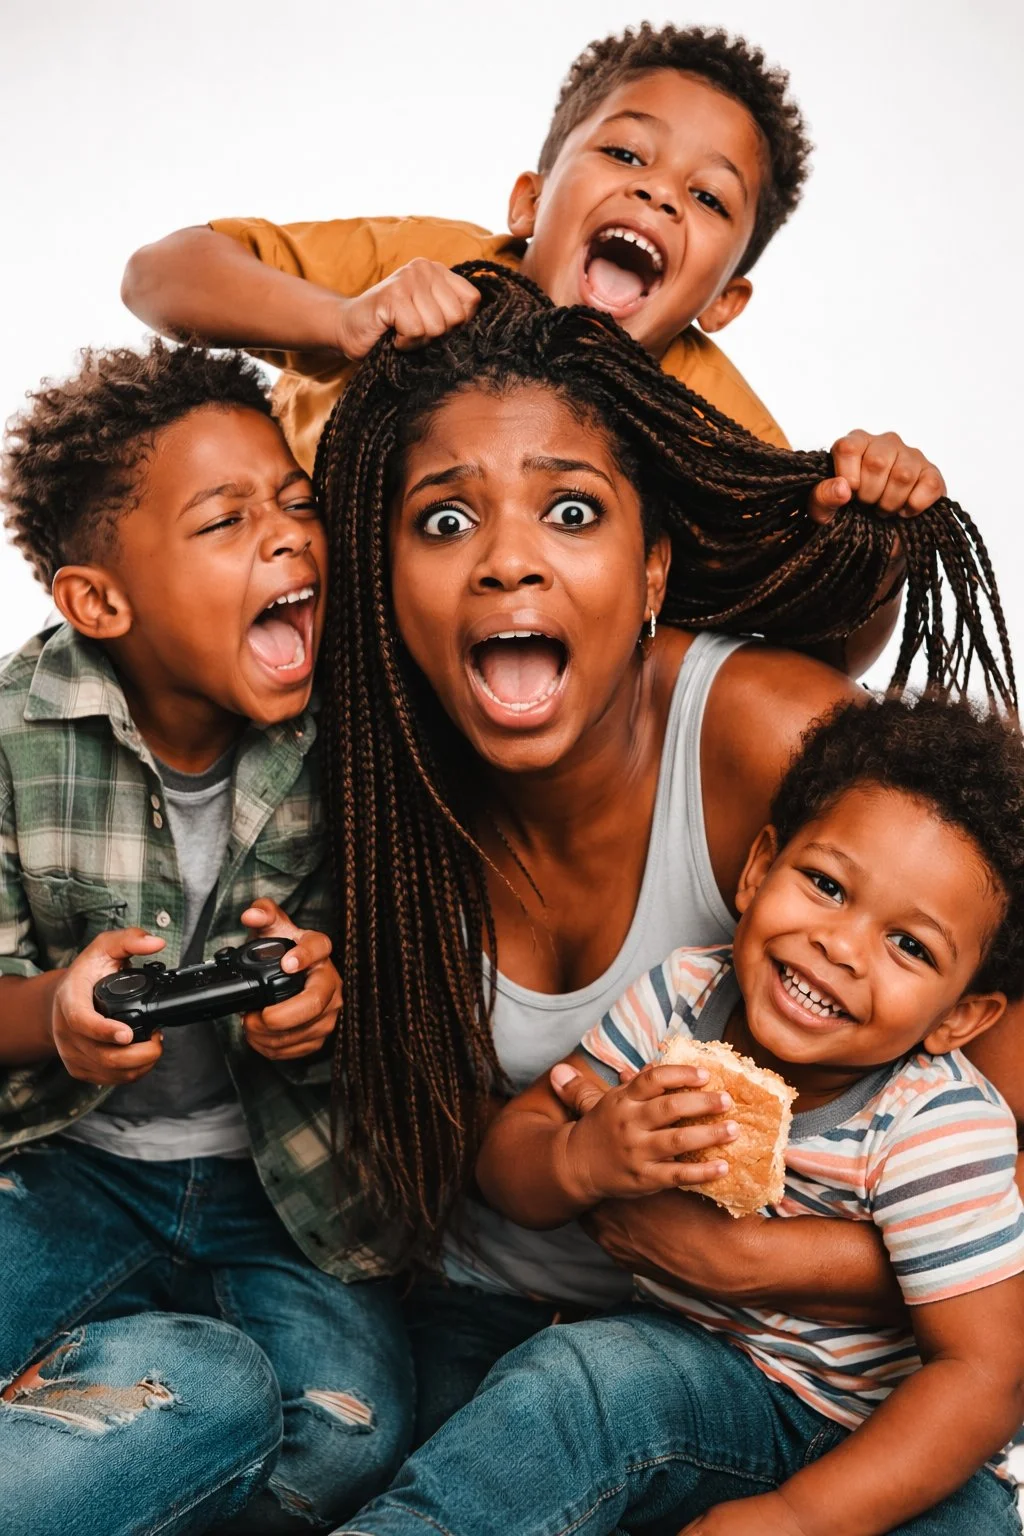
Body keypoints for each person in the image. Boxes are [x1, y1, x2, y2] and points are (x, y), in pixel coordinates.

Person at [308, 262, 1017, 1447]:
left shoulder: (774, 745)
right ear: (387, 582)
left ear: (651, 574)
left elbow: (995, 1215)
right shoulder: (372, 767)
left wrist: (750, 1260)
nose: (507, 561)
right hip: (468, 1318)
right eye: (445, 519)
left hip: (767, 1366)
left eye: (570, 511)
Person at [332, 695, 1024, 1536]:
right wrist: (581, 1157)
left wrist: (798, 1519)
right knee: (576, 1376)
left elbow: (983, 1377)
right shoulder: (681, 997)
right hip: (694, 1380)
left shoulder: (939, 1125)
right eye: (827, 885)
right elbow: (509, 1154)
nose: (841, 947)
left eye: (910, 946)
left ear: (959, 1017)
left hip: (893, 1444)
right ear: (759, 868)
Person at [121, 23, 945, 678]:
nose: (658, 191)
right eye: (625, 154)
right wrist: (342, 318)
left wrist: (873, 529)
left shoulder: (706, 413)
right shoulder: (432, 266)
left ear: (723, 303)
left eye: (707, 196)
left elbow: (822, 649)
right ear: (531, 200)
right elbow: (159, 278)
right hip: (288, 635)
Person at [0, 341, 410, 1534]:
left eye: (295, 503)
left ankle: (101, 1412)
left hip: (282, 1191)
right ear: (98, 602)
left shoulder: (360, 728)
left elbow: (417, 972)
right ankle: (119, 1415)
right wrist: (55, 1017)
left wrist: (324, 1004)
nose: (287, 537)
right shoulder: (17, 737)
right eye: (226, 522)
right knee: (217, 1401)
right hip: (68, 1168)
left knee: (344, 1438)